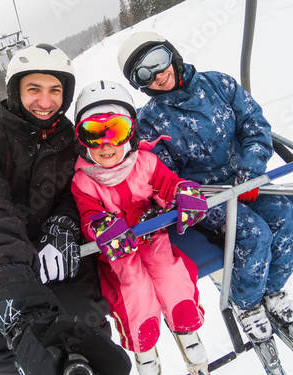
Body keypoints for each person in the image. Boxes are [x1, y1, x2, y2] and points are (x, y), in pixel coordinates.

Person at [0, 43, 131, 375]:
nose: (45, 102)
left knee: (78, 327)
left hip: (62, 259)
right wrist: (15, 282)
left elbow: (87, 189)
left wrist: (64, 222)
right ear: (16, 91)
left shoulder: (73, 140)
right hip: (8, 265)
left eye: (55, 91)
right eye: (34, 89)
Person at [117, 31, 293, 346]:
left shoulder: (219, 84)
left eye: (159, 61)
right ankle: (247, 305)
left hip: (246, 178)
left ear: (172, 54)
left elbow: (255, 126)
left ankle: (271, 290)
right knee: (253, 234)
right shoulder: (148, 123)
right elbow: (162, 175)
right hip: (205, 198)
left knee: (288, 219)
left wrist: (250, 169)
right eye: (144, 74)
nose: (159, 75)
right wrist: (189, 196)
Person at [71, 80, 210, 375]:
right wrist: (101, 227)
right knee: (134, 290)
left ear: (132, 132)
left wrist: (183, 193)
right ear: (80, 140)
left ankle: (186, 327)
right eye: (94, 134)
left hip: (153, 238)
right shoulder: (83, 181)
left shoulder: (145, 162)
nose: (107, 144)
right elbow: (88, 216)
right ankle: (144, 347)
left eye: (117, 130)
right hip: (119, 253)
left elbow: (167, 185)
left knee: (171, 273)